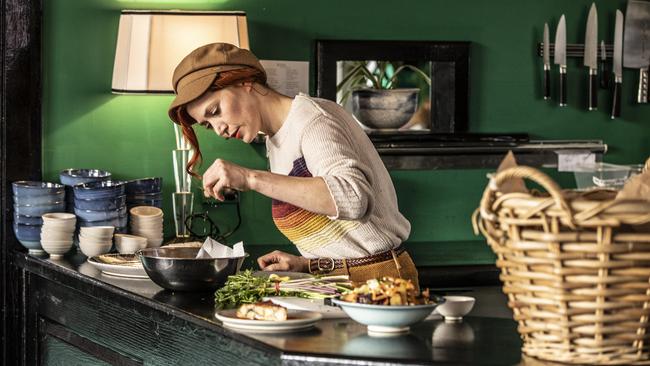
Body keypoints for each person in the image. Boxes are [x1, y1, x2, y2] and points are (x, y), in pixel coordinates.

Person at [168, 43, 418, 288]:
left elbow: (354, 198)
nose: (219, 129)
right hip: (336, 283)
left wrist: (251, 178)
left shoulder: (313, 120)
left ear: (244, 81)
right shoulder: (277, 139)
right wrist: (306, 263)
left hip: (380, 284)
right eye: (208, 125)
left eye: (215, 111)